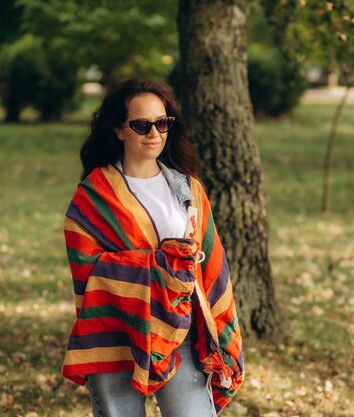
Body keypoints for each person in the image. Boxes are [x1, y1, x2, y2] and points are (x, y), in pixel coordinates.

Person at [61, 79, 244, 417]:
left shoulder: (188, 189)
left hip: (180, 327)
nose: (154, 133)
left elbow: (210, 262)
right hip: (116, 330)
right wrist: (159, 265)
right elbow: (86, 266)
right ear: (119, 130)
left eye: (162, 123)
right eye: (141, 125)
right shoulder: (95, 195)